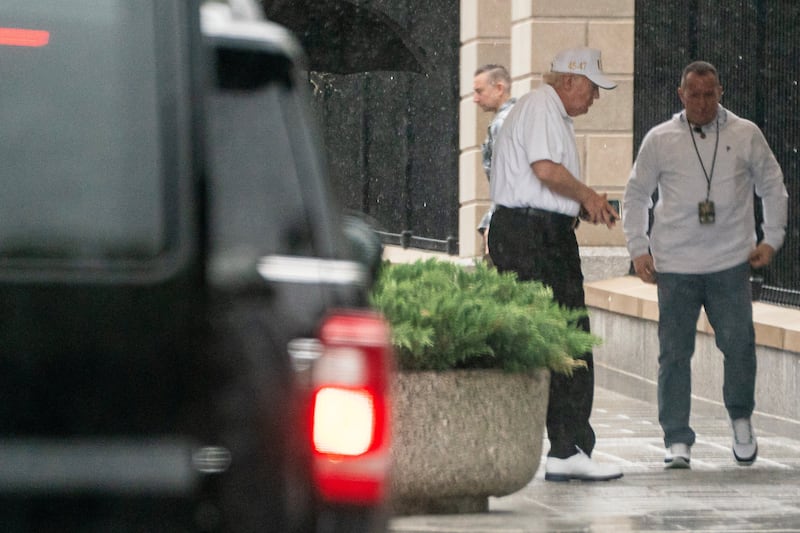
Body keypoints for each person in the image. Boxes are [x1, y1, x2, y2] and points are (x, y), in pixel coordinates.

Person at [622, 60, 789, 469]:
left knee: (739, 345)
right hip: (675, 265)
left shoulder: (745, 133)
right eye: (693, 95)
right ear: (681, 95)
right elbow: (636, 194)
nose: (701, 103)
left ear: (720, 93)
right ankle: (676, 438)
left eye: (709, 94)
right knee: (674, 354)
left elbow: (772, 186)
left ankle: (741, 419)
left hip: (730, 261)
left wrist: (772, 239)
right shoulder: (660, 139)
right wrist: (638, 248)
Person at [488, 47, 623, 482]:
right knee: (568, 337)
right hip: (534, 236)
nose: (595, 99)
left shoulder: (544, 110)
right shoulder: (544, 106)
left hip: (535, 230)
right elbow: (544, 169)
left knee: (560, 337)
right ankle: (567, 448)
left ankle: (567, 444)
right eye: (592, 88)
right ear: (569, 80)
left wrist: (579, 208)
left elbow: (543, 180)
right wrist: (586, 197)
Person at [472, 64, 516, 260]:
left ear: (499, 89)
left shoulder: (502, 123)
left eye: (479, 91)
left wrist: (494, 221)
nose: (475, 99)